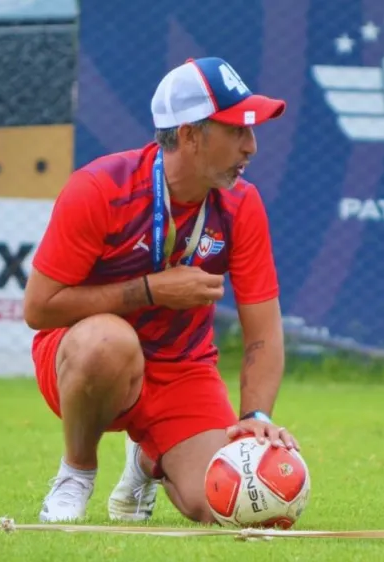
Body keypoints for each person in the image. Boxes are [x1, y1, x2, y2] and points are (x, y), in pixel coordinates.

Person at [23, 56, 300, 525]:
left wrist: (257, 415)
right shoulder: (98, 188)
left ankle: (147, 460)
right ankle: (77, 470)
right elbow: (39, 308)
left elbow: (263, 329)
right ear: (190, 134)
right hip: (86, 355)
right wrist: (148, 291)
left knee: (220, 505)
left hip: (183, 369)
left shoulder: (242, 203)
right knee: (108, 342)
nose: (251, 146)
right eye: (236, 130)